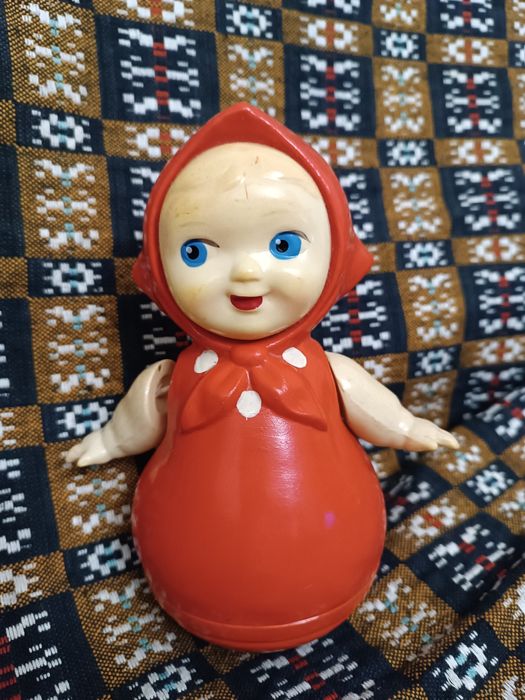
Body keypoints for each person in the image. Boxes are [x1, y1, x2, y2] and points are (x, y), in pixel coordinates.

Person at [67, 103, 458, 651]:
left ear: (335, 258)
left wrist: (409, 428)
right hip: (190, 559)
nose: (247, 272)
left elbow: (380, 414)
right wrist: (110, 441)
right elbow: (138, 423)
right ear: (159, 271)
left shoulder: (327, 369)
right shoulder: (173, 377)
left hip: (331, 553)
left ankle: (322, 594)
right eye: (197, 251)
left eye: (283, 246)